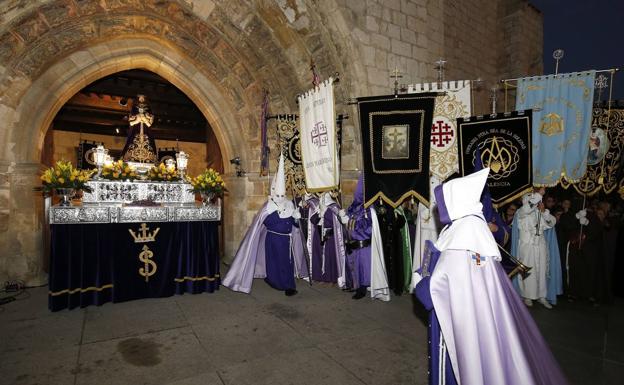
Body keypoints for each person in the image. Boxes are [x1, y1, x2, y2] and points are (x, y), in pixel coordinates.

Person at [413, 168, 568, 385]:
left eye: (444, 200)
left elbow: (438, 285)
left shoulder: (463, 234)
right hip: (473, 311)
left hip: (457, 315)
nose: (440, 207)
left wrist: (420, 283)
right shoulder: (469, 225)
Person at [222, 154, 305, 295]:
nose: (280, 198)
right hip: (273, 239)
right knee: (274, 262)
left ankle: (289, 286)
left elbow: (294, 226)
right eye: (277, 195)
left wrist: (296, 218)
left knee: (287, 262)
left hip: (287, 239)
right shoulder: (269, 207)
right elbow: (265, 222)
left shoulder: (290, 204)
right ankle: (275, 281)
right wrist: (277, 213)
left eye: (282, 195)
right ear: (273, 194)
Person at [512, 189, 560, 308]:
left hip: (540, 244)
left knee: (542, 269)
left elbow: (551, 223)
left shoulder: (540, 211)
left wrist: (544, 212)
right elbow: (528, 208)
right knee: (528, 270)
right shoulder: (521, 212)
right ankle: (527, 295)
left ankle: (541, 296)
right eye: (530, 198)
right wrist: (539, 194)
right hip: (527, 244)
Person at [341, 175, 373, 299]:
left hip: (363, 244)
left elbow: (368, 227)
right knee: (352, 265)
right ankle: (353, 284)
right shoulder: (353, 206)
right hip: (352, 242)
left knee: (362, 267)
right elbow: (347, 219)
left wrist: (348, 221)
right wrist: (342, 216)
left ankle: (362, 288)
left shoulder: (369, 209)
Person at [310, 191, 347, 287]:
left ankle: (331, 279)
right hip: (318, 235)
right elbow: (312, 219)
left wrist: (325, 213)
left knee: (329, 257)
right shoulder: (319, 206)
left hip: (329, 235)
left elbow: (335, 221)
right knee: (318, 256)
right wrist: (319, 214)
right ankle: (319, 277)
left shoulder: (334, 206)